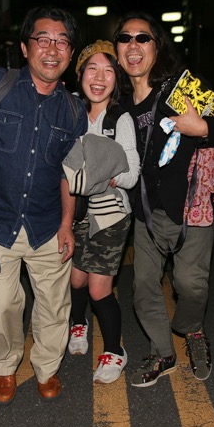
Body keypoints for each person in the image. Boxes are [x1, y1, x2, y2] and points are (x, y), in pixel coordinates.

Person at [0, 6, 87, 405]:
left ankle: (46, 368)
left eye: (62, 42)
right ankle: (5, 366)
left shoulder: (73, 110)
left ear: (70, 54)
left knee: (54, 305)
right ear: (25, 47)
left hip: (46, 224)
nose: (52, 49)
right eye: (43, 39)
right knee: (4, 304)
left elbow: (70, 173)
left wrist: (67, 223)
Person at [113, 12, 214, 387]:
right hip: (146, 213)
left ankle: (192, 329)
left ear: (157, 46)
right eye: (125, 38)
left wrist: (203, 127)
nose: (133, 45)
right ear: (117, 50)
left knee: (191, 285)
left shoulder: (182, 87)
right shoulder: (118, 103)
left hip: (191, 208)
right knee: (143, 288)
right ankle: (163, 353)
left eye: (142, 38)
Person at [65, 40, 140, 384]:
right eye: (92, 69)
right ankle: (77, 323)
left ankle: (114, 351)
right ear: (80, 74)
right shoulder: (70, 112)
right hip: (76, 209)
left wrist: (106, 175)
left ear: (117, 78)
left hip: (111, 214)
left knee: (98, 289)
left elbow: (131, 173)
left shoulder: (119, 118)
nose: (99, 78)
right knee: (75, 279)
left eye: (108, 70)